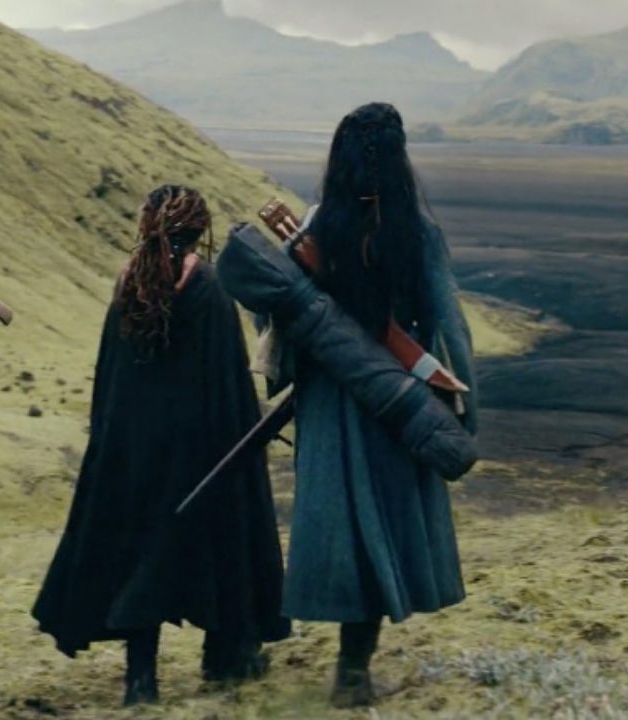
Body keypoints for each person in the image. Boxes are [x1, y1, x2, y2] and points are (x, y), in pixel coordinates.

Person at [221, 102, 479, 708]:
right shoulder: (415, 232)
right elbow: (449, 324)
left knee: (345, 525)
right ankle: (354, 672)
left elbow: (273, 312)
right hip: (399, 398)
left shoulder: (313, 228)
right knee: (382, 524)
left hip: (329, 401)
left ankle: (351, 670)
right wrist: (462, 406)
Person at [32, 185, 291, 706]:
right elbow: (228, 384)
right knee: (218, 546)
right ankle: (227, 656)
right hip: (198, 453)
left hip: (132, 453)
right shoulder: (208, 288)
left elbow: (112, 377)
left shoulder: (129, 282)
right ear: (199, 230)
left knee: (138, 553)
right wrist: (245, 441)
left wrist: (108, 440)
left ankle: (141, 679)